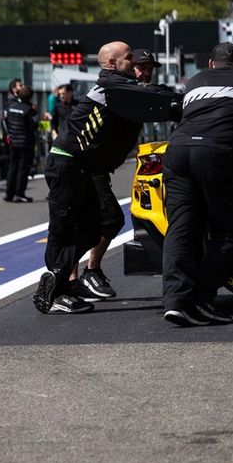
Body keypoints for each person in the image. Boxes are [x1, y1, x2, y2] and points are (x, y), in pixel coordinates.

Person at [33, 42, 163, 314]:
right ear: (113, 64)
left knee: (92, 228)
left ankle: (59, 277)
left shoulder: (121, 87)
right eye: (130, 59)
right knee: (62, 228)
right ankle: (57, 293)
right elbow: (158, 100)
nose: (136, 64)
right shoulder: (114, 86)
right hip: (66, 163)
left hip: (81, 166)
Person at [161, 42, 233, 326]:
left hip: (176, 151)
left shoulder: (194, 81)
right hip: (218, 153)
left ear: (211, 65)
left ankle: (176, 301)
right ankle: (202, 297)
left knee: (180, 229)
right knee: (231, 230)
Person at [2, 83, 37, 203]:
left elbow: (5, 121)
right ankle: (19, 193)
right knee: (23, 168)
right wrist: (35, 113)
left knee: (12, 167)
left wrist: (10, 135)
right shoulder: (28, 110)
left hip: (13, 142)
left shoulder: (10, 106)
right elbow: (34, 126)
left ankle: (9, 194)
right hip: (25, 143)